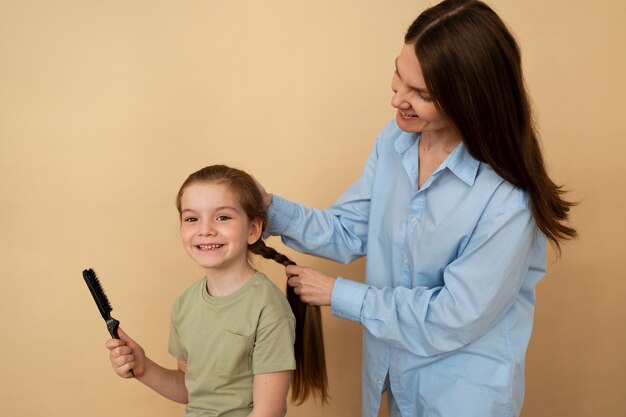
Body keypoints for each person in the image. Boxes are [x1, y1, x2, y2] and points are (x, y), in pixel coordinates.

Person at [258, 1, 577, 416]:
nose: (397, 101)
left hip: (463, 394)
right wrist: (265, 207)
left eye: (421, 94)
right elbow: (350, 230)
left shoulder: (507, 200)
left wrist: (339, 294)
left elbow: (453, 316)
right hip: (394, 374)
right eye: (398, 75)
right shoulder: (395, 142)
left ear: (470, 100)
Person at [106, 165, 328, 417]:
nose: (205, 230)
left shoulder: (268, 308)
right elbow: (190, 388)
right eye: (192, 218)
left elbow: (268, 412)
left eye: (222, 217)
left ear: (253, 230)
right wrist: (143, 367)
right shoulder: (184, 303)